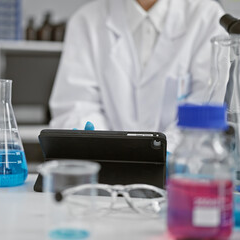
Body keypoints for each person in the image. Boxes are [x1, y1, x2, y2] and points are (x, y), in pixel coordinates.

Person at [49, 0, 228, 153]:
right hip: (106, 176)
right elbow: (76, 105)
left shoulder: (207, 17)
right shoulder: (87, 21)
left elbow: (205, 107)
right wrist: (102, 146)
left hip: (183, 173)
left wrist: (166, 153)